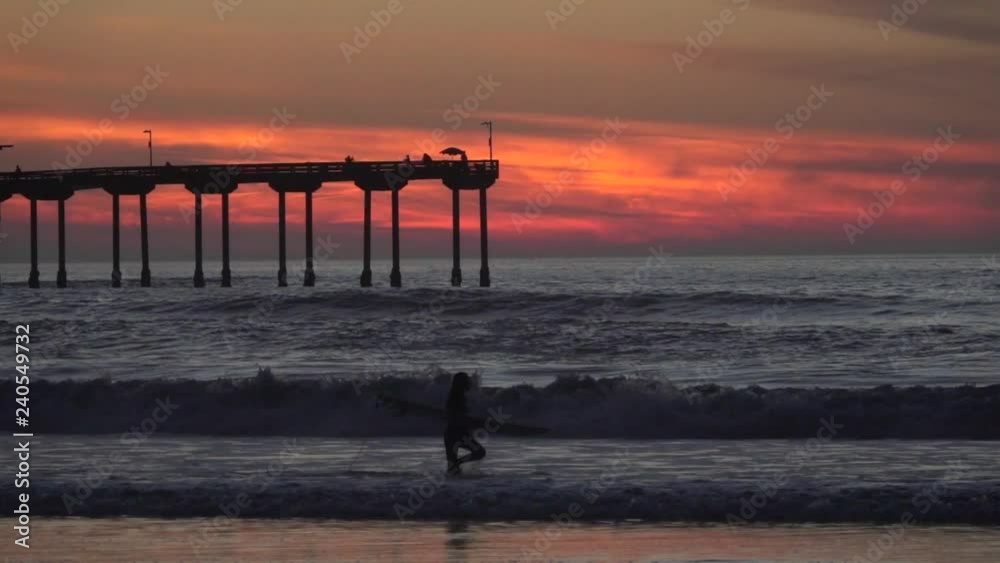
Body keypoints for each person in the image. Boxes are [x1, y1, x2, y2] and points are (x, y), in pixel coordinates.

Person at [444, 372, 485, 475]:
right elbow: (457, 418)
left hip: (452, 434)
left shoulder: (457, 396)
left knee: (452, 470)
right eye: (466, 381)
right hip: (456, 434)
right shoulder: (456, 398)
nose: (469, 383)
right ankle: (457, 464)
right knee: (479, 452)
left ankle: (456, 464)